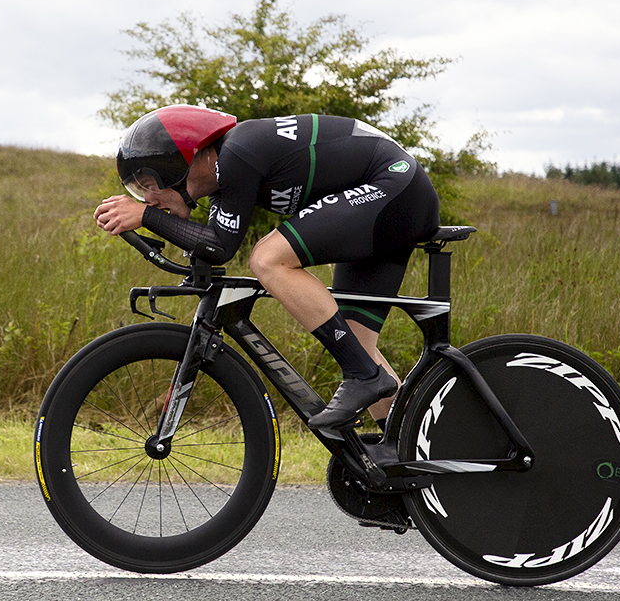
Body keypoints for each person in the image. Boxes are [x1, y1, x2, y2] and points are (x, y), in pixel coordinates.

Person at [93, 104, 440, 430]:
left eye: (149, 187)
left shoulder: (238, 154)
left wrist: (147, 217)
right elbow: (212, 246)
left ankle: (363, 377)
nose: (148, 199)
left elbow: (220, 246)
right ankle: (405, 450)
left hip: (394, 186)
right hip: (389, 198)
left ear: (177, 166)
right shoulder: (224, 178)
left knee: (267, 258)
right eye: (141, 194)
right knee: (357, 340)